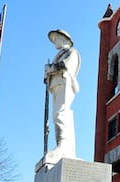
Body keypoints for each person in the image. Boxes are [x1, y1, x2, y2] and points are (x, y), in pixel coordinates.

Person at [43, 29, 81, 165]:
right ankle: (61, 144)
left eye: (57, 38)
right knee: (56, 115)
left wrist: (50, 68)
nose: (55, 42)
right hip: (55, 85)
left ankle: (63, 145)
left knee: (60, 114)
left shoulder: (72, 52)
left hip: (64, 82)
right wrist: (47, 74)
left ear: (65, 39)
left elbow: (66, 66)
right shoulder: (58, 55)